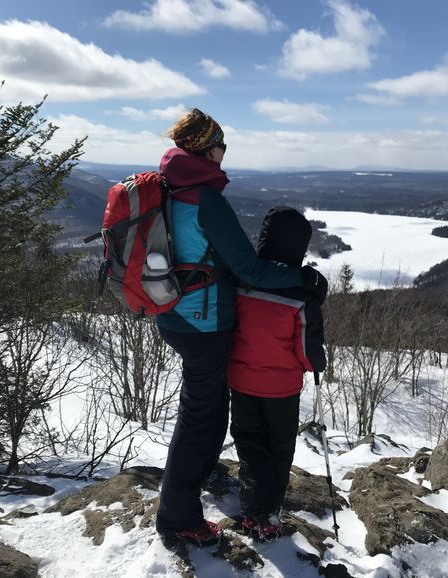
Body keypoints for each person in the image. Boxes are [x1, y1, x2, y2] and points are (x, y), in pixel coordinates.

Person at [154, 109, 327, 546]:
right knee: (202, 420)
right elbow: (247, 266)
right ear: (207, 148)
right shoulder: (204, 197)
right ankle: (178, 516)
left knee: (207, 414)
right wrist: (303, 280)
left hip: (172, 311)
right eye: (222, 147)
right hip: (203, 320)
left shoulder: (166, 186)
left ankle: (193, 486)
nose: (224, 155)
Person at [227, 206, 327, 541]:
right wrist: (317, 364)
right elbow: (307, 351)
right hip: (282, 389)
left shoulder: (241, 280)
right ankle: (269, 512)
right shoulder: (302, 295)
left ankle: (255, 510)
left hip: (241, 382)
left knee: (251, 444)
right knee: (280, 448)